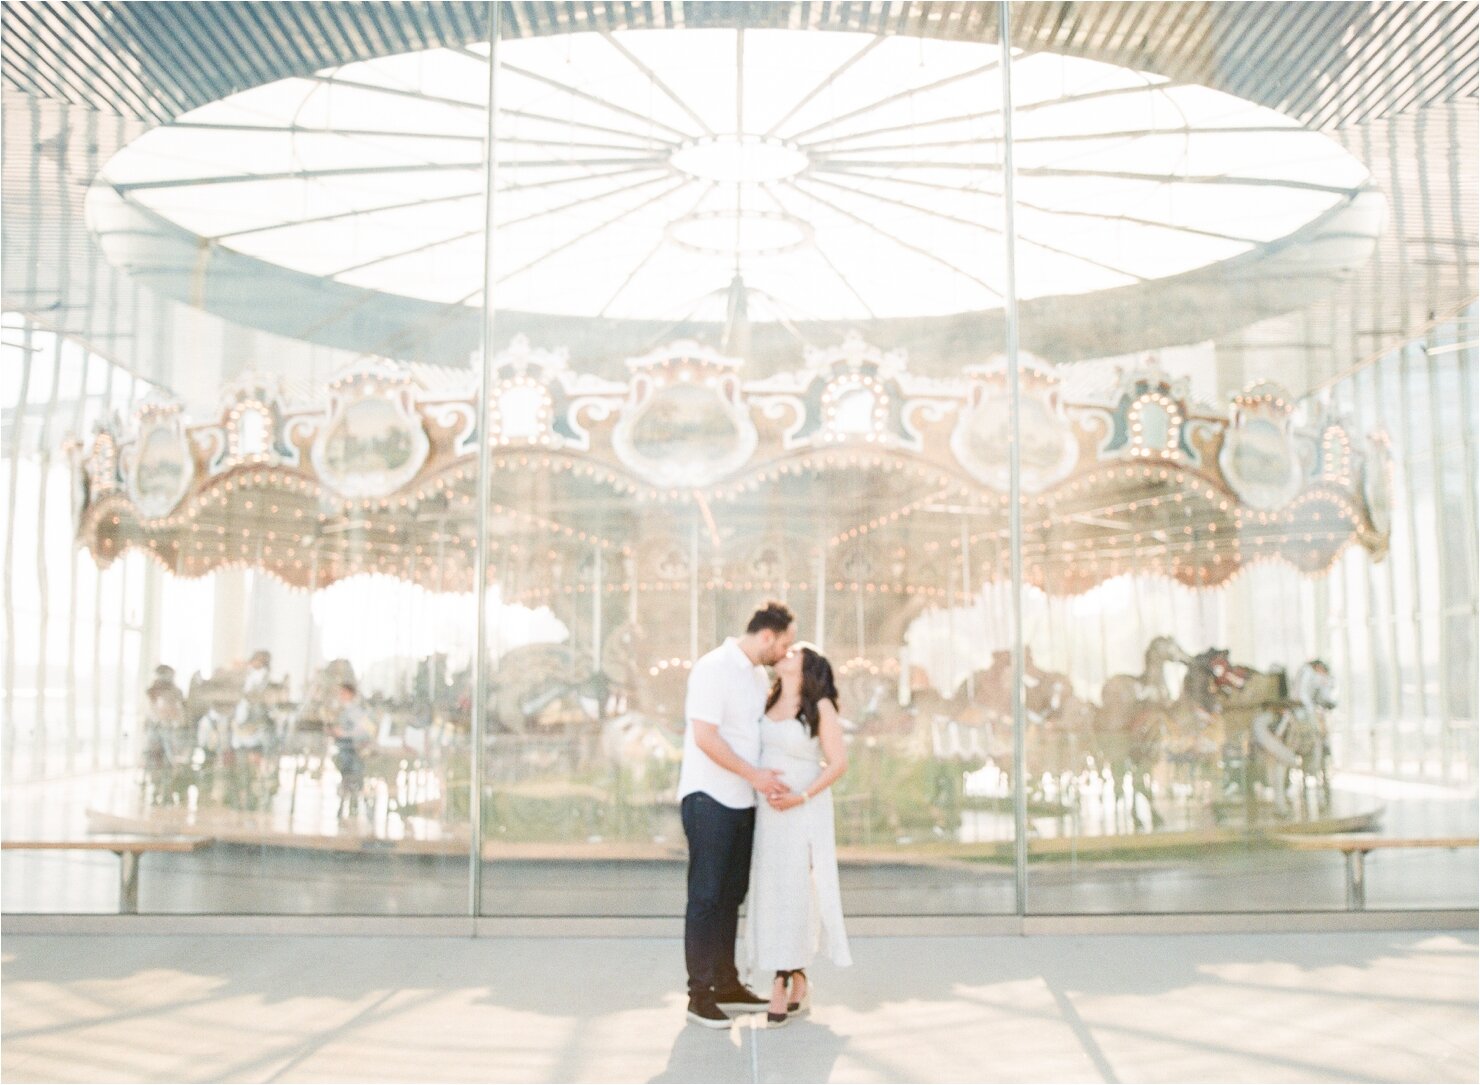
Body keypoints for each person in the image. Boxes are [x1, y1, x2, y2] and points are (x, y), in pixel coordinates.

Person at [679, 601, 797, 1029]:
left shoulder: (757, 676)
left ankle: (727, 984)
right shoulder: (713, 668)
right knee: (706, 897)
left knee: (731, 896)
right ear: (766, 635)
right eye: (783, 644)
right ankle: (699, 995)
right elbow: (705, 737)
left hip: (744, 801)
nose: (785, 653)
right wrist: (755, 776)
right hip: (709, 798)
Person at [745, 644, 852, 1027]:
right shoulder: (767, 699)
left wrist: (801, 797)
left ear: (807, 665)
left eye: (793, 652)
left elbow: (838, 763)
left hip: (802, 810)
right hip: (769, 812)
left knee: (795, 889)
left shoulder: (819, 706)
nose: (785, 654)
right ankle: (797, 974)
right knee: (772, 889)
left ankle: (782, 978)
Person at [331, 681, 376, 819]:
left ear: (350, 694)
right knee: (350, 781)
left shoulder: (355, 711)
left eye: (343, 693)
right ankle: (349, 809)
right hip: (347, 750)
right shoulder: (345, 710)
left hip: (353, 750)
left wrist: (344, 733)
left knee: (355, 781)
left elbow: (365, 730)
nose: (340, 696)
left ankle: (362, 810)